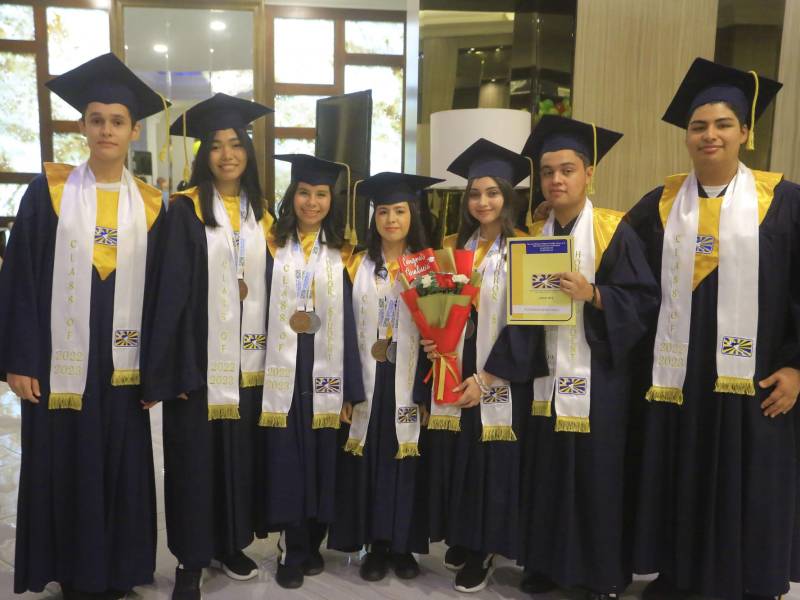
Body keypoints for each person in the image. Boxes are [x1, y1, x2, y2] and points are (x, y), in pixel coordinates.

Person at [625, 57, 800, 600]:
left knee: (749, 479)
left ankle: (750, 582)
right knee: (681, 472)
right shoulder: (658, 207)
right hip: (676, 378)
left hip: (754, 376)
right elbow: (620, 277)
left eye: (724, 124)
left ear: (745, 132)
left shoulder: (786, 202)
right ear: (687, 136)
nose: (710, 135)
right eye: (698, 126)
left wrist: (797, 364)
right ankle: (678, 576)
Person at [0, 52, 168, 599]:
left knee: (120, 459)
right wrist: (19, 360)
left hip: (123, 363)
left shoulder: (151, 205)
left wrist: (158, 370)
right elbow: (20, 279)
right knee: (64, 460)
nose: (106, 130)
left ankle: (117, 571)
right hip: (58, 360)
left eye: (117, 121)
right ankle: (70, 570)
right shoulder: (46, 193)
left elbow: (164, 296)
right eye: (96, 119)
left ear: (133, 130)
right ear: (82, 126)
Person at [517, 115, 659, 598]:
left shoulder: (613, 229)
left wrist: (594, 293)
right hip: (545, 373)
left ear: (589, 173)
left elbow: (643, 300)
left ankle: (601, 574)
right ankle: (545, 564)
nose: (557, 180)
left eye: (568, 170)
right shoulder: (534, 232)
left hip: (600, 377)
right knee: (547, 470)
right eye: (548, 171)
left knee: (597, 475)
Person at [142, 93, 273, 600]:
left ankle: (232, 543)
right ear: (205, 154)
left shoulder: (263, 216)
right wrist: (172, 370)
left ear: (248, 153)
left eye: (235, 144)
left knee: (238, 458)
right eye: (216, 145)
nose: (226, 154)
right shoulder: (184, 209)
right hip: (197, 365)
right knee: (194, 464)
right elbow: (168, 294)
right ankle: (192, 561)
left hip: (249, 364)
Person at [423, 138, 547, 593]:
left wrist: (487, 376)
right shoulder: (452, 247)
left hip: (502, 374)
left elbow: (530, 324)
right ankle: (463, 534)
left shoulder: (530, 248)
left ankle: (484, 548)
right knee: (461, 456)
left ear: (509, 197)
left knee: (493, 461)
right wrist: (432, 340)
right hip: (458, 369)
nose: (483, 202)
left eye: (493, 193)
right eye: (475, 193)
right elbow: (436, 310)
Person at [257, 153, 365, 589]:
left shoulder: (345, 253)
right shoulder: (269, 245)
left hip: (327, 368)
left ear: (330, 200)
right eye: (304, 192)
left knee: (324, 455)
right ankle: (290, 545)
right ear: (292, 195)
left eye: (321, 194)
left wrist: (351, 389)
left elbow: (354, 323)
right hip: (283, 368)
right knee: (287, 459)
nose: (312, 202)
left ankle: (313, 542)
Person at [327, 172, 441, 581]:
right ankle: (374, 545)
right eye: (382, 211)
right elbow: (339, 327)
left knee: (406, 459)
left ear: (413, 214)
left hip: (409, 379)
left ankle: (403, 544)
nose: (391, 219)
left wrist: (429, 392)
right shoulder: (355, 262)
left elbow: (440, 330)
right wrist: (345, 386)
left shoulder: (430, 265)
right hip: (368, 377)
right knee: (369, 459)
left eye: (399, 210)